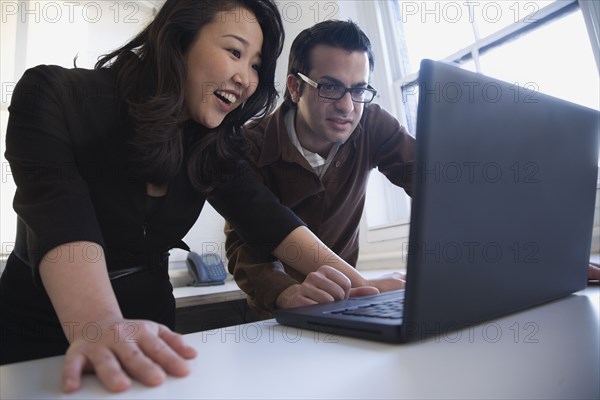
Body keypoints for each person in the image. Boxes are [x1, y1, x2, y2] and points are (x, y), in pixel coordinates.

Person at [0, 1, 398, 393]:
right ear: (178, 39)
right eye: (234, 52)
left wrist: (360, 287)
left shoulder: (211, 143)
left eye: (256, 65)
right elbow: (61, 217)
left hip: (151, 323)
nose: (246, 78)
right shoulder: (54, 95)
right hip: (42, 330)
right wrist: (101, 325)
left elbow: (269, 219)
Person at [225, 20, 414, 318]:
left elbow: (432, 183)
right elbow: (243, 245)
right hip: (276, 316)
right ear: (295, 87)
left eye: (359, 90)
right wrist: (285, 292)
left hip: (349, 301)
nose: (347, 107)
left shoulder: (373, 123)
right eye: (330, 87)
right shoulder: (250, 145)